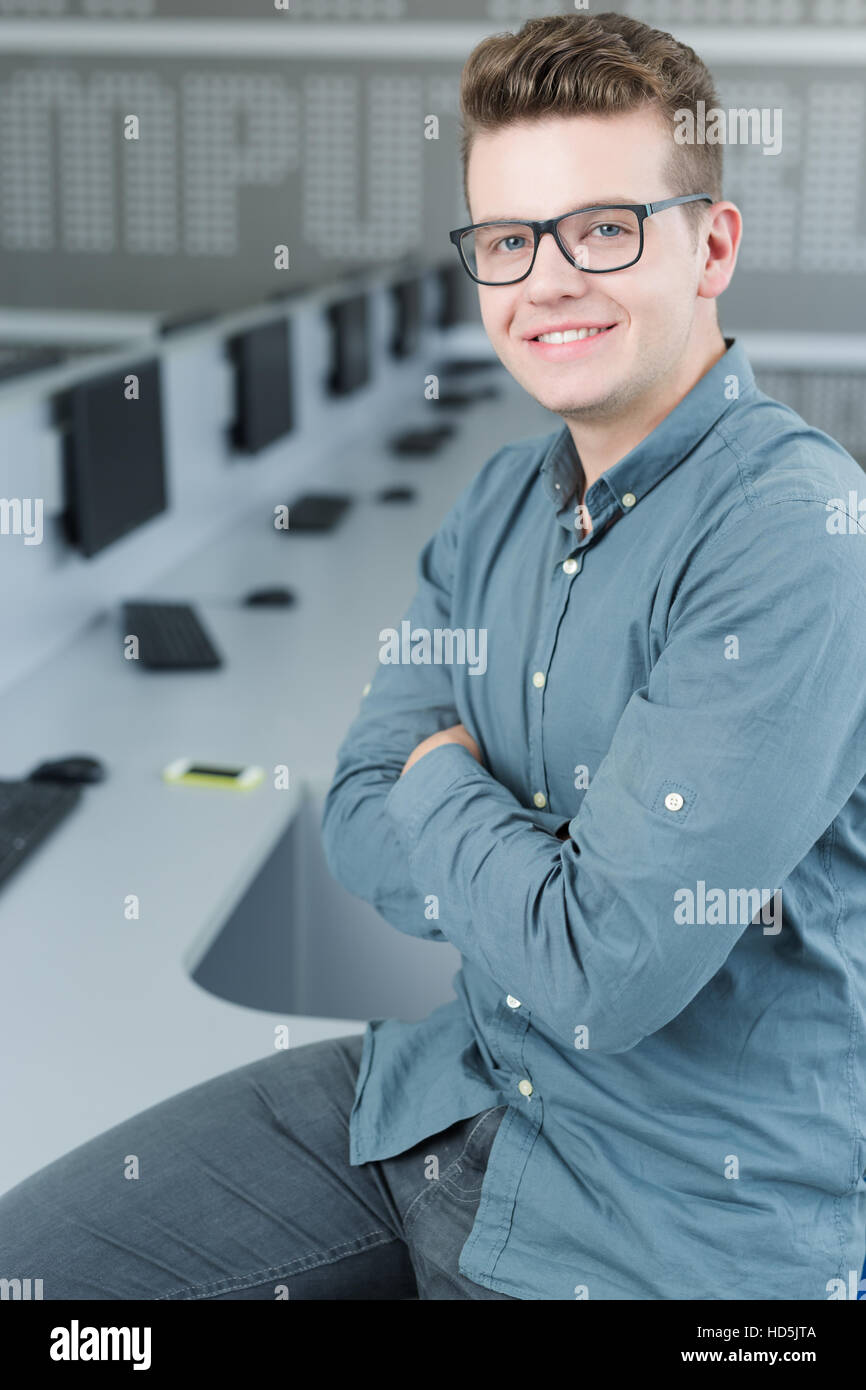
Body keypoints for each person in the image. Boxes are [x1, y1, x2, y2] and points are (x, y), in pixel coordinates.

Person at [2, 10, 865, 1302]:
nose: (548, 280)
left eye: (604, 228)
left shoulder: (791, 531)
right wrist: (523, 863)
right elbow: (353, 816)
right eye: (509, 240)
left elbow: (602, 971)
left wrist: (441, 784)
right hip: (444, 1088)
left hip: (665, 1217)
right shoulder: (503, 501)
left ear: (713, 245)